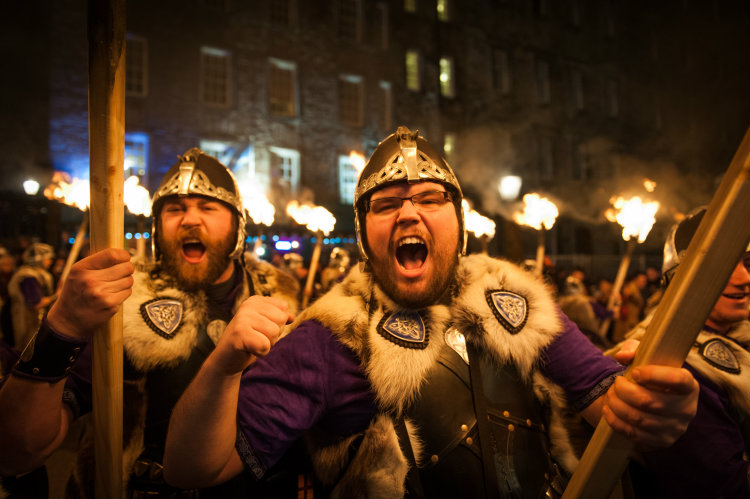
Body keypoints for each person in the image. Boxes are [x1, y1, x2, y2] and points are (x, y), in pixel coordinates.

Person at [161, 127, 698, 498]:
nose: (409, 212)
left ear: (458, 223)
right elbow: (194, 468)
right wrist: (222, 368)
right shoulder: (328, 336)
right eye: (387, 203)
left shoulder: (516, 302)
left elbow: (610, 402)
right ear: (365, 232)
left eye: (429, 198)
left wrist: (653, 405)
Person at [0, 148, 301, 498]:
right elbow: (17, 452)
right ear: (158, 227)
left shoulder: (280, 299)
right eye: (175, 209)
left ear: (237, 225)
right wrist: (62, 327)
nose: (190, 220)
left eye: (207, 207)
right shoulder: (123, 301)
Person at [607, 207, 750, 498]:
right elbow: (723, 489)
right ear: (678, 277)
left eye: (747, 262)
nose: (743, 278)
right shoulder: (675, 365)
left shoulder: (739, 338)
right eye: (722, 263)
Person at [6, 242, 57, 350]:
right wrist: (57, 296)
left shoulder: (36, 274)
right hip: (27, 323)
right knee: (27, 352)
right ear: (39, 259)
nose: (50, 261)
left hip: (32, 322)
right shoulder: (28, 276)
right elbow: (36, 303)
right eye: (48, 258)